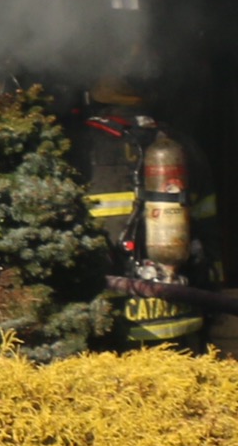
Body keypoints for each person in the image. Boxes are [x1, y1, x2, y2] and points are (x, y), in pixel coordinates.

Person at [71, 65, 218, 347]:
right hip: (180, 314)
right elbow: (209, 230)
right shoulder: (181, 144)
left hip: (110, 319)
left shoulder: (79, 147)